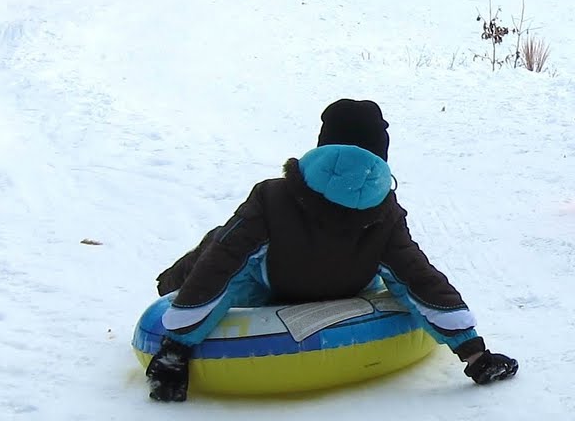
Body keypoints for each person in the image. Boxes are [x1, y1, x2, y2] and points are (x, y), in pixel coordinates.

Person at [145, 99, 517, 402]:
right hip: (349, 286)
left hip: (275, 284)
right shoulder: (386, 213)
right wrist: (474, 351)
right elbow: (418, 277)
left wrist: (176, 346)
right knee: (394, 271)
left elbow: (222, 264)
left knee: (224, 241)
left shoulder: (272, 197)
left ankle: (169, 283)